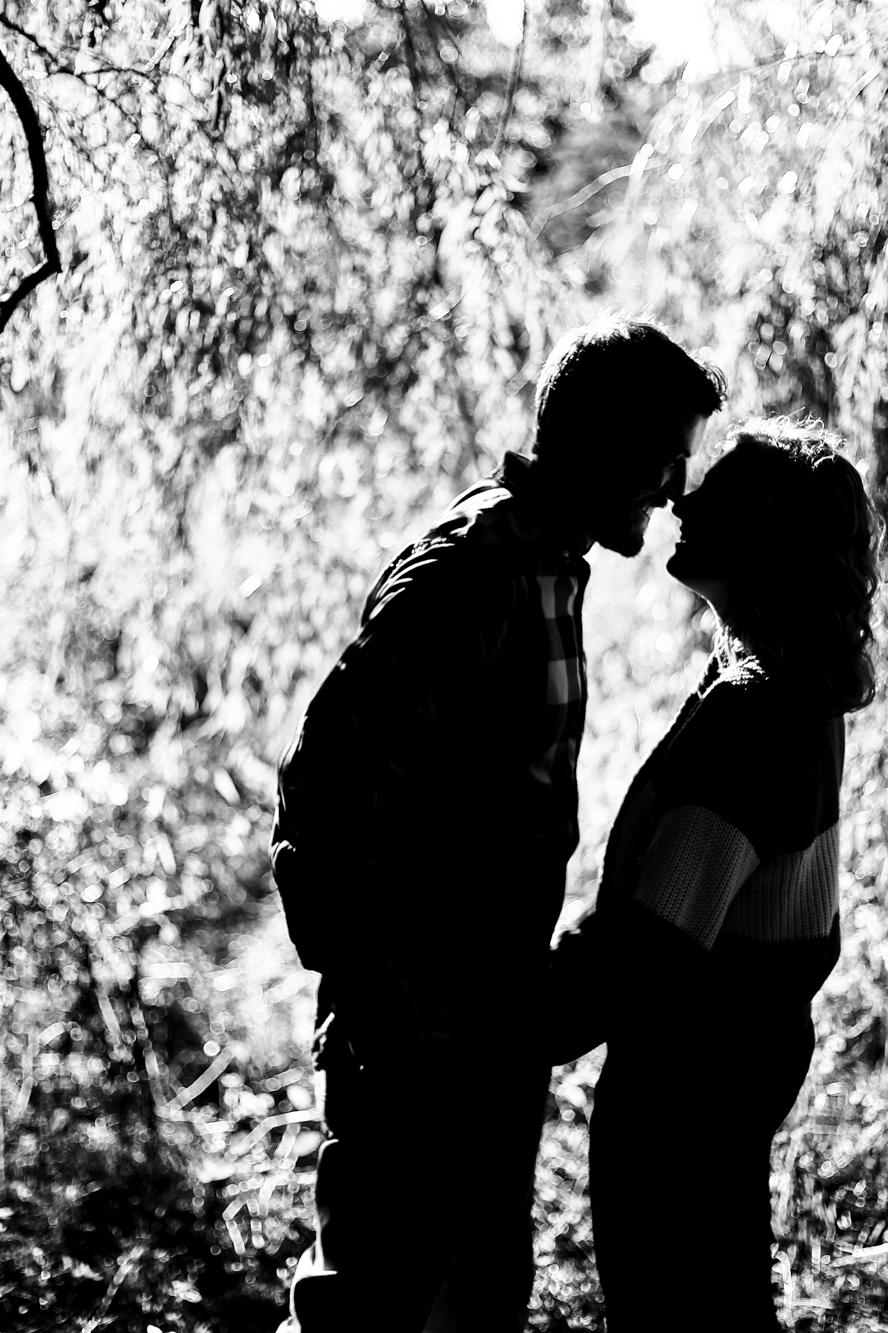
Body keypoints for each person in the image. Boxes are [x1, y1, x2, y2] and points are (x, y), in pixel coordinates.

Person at [269, 318, 725, 1332]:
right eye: (664, 458)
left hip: (488, 1021)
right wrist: (385, 995)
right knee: (371, 1304)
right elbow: (326, 782)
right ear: (610, 444)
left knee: (474, 1299)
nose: (672, 489)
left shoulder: (551, 566)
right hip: (416, 1034)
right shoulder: (472, 572)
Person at [546, 419, 879, 1330]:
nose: (683, 498)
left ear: (766, 540)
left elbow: (650, 947)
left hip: (686, 1087)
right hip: (733, 1067)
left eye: (719, 494)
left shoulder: (755, 720)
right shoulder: (797, 693)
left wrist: (506, 1024)